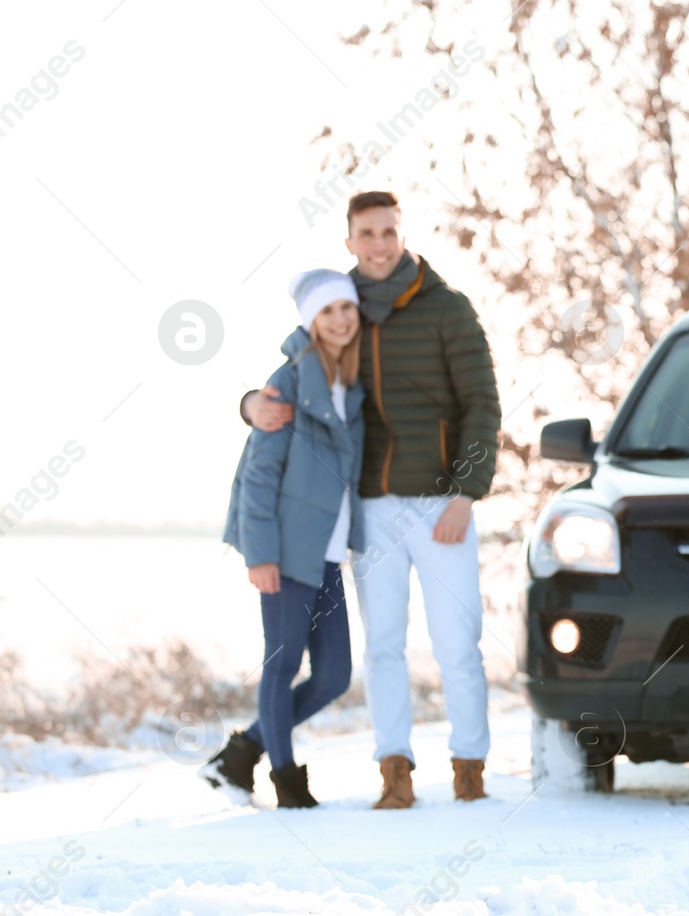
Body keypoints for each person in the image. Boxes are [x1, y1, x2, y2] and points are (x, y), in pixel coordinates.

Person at [241, 191, 502, 809]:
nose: (379, 244)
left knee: (456, 643)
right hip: (370, 510)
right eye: (367, 233)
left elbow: (483, 406)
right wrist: (250, 403)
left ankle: (469, 767)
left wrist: (466, 493)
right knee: (383, 645)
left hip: (442, 505)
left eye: (389, 231)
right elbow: (293, 367)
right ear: (350, 241)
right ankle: (395, 772)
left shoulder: (448, 309)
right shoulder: (343, 304)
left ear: (402, 234)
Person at [208, 270, 366, 808]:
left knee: (334, 676)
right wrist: (261, 554)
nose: (341, 320)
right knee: (281, 666)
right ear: (311, 321)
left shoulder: (355, 380)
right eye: (328, 312)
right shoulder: (290, 380)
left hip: (327, 552)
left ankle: (241, 751)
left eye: (347, 309)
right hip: (286, 553)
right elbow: (258, 475)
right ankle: (286, 782)